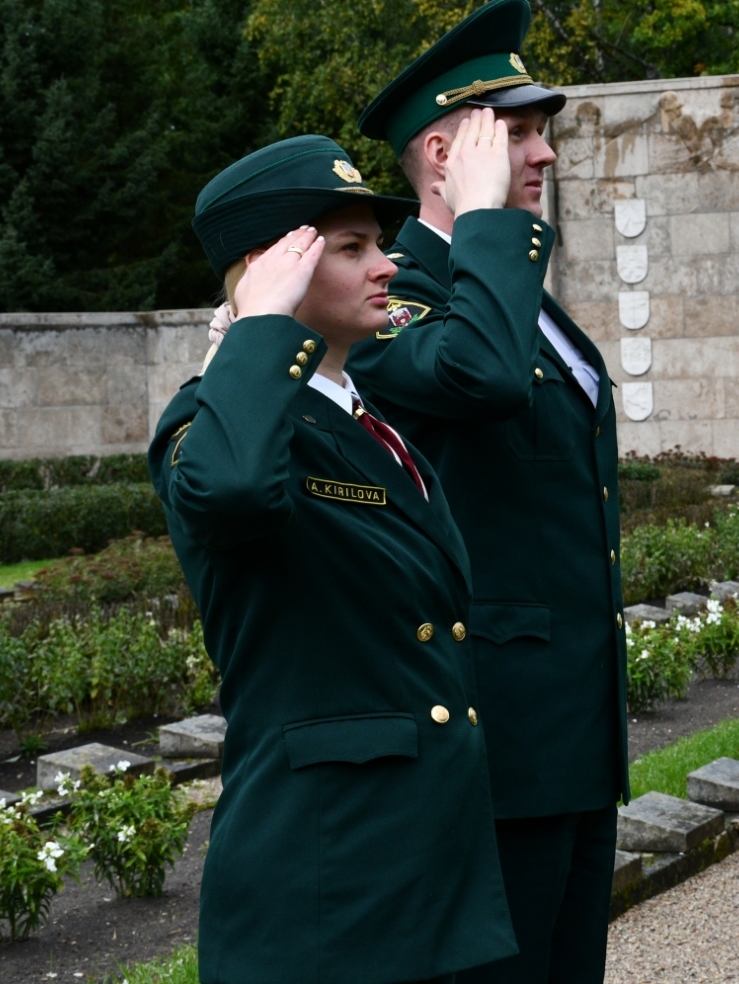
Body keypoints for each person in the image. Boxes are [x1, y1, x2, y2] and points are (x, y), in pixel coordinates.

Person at [150, 133, 520, 984]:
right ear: (275, 266)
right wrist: (261, 324)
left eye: (378, 243)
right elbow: (233, 492)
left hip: (418, 875)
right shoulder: (212, 425)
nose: (387, 266)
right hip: (323, 895)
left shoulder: (363, 419)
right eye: (352, 248)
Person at [348, 0, 627, 984]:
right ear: (441, 155)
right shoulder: (393, 298)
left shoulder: (512, 291)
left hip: (573, 727)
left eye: (545, 130)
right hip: (497, 735)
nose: (545, 154)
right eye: (518, 134)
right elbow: (483, 381)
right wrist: (480, 227)